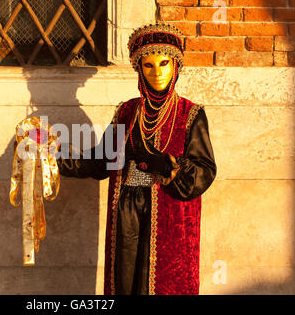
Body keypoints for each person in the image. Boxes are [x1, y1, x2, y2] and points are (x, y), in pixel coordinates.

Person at [56, 23, 217, 295]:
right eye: (149, 65)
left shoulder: (190, 114)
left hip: (169, 218)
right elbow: (100, 162)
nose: (158, 73)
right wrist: (52, 158)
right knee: (126, 285)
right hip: (127, 214)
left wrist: (166, 165)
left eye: (164, 63)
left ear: (176, 66)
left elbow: (204, 171)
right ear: (139, 69)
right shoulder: (127, 113)